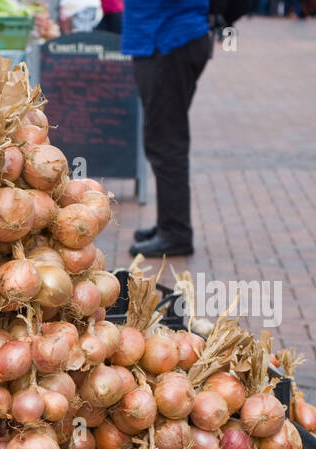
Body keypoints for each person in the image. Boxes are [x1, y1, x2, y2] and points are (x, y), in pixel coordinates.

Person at [124, 1, 213, 259]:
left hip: (166, 39)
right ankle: (170, 224)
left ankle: (175, 233)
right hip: (166, 37)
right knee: (164, 138)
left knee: (165, 142)